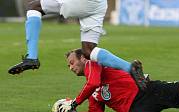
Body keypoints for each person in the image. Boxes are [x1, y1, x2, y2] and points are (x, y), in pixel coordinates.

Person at [7, 0, 145, 89]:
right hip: (99, 4)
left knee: (34, 7)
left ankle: (32, 57)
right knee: (88, 51)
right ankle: (131, 69)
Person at [54, 48, 179, 112]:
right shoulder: (93, 94)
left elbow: (93, 82)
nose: (71, 67)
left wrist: (74, 103)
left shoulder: (94, 65)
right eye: (68, 65)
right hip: (134, 109)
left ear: (83, 58)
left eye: (72, 62)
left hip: (147, 89)